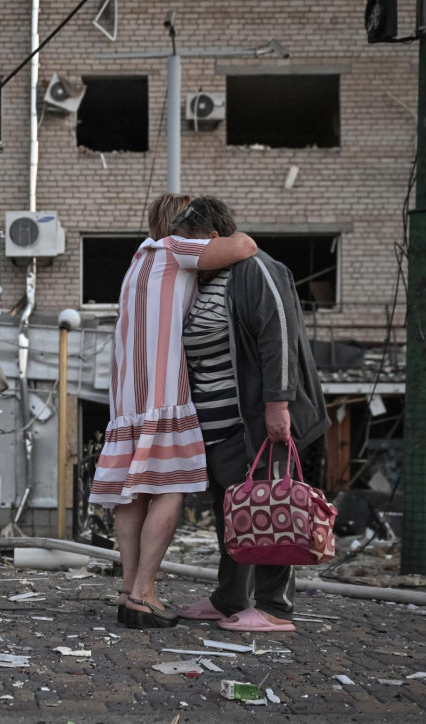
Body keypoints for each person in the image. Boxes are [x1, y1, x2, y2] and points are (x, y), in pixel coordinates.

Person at [89, 194, 258, 629]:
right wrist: (220, 235)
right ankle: (146, 592)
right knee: (171, 487)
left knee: (133, 493)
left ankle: (129, 593)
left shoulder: (138, 260)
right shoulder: (173, 248)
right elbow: (245, 247)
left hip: (127, 395)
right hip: (163, 392)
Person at [175, 197, 329, 632]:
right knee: (237, 510)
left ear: (212, 239)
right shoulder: (208, 280)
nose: (186, 254)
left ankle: (275, 608)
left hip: (258, 421)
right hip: (220, 426)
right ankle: (229, 598)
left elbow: (278, 335)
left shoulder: (255, 268)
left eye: (189, 243)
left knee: (272, 505)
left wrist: (278, 405)